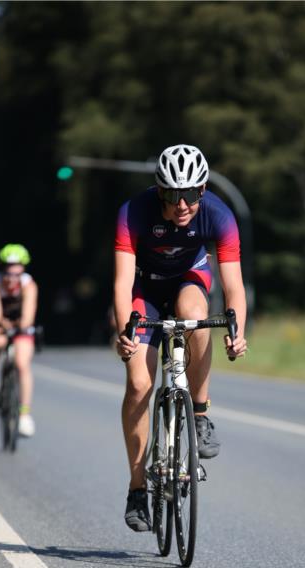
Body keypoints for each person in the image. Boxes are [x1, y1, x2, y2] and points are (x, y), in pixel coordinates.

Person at [114, 143, 248, 531]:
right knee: (139, 383)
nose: (183, 204)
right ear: (160, 191)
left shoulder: (219, 216)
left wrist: (237, 330)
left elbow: (234, 287)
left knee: (196, 316)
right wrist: (126, 330)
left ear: (203, 190)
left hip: (190, 280)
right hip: (145, 289)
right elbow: (122, 283)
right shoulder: (132, 212)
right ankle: (138, 489)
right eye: (174, 195)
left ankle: (201, 413)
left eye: (190, 194)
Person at [0, 244, 38, 437]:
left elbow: (28, 316)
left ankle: (24, 415)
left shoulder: (29, 285)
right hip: (1, 322)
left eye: (17, 270)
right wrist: (2, 325)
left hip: (21, 325)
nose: (12, 277)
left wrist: (21, 325)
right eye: (8, 270)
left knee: (22, 364)